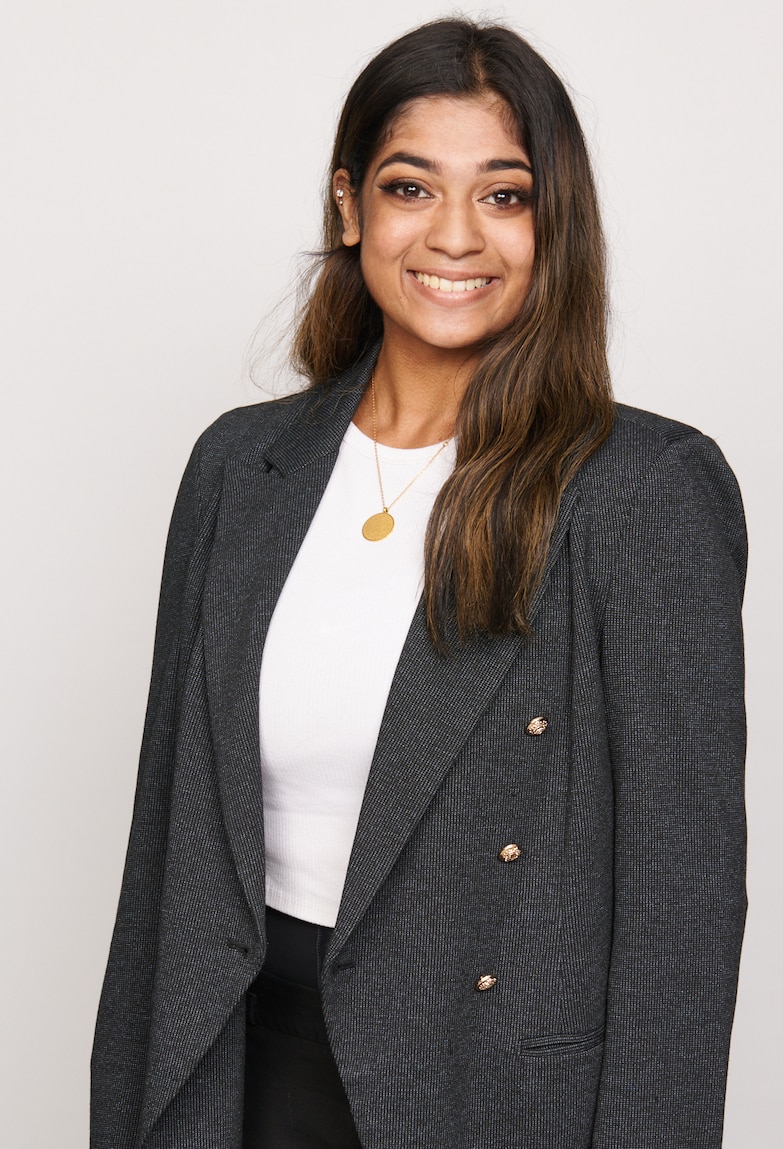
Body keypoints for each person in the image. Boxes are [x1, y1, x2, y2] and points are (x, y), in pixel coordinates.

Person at [91, 17, 747, 1149]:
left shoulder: (640, 492)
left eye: (504, 195)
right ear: (349, 209)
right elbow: (169, 845)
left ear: (556, 225)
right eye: (411, 187)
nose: (456, 236)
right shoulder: (240, 470)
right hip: (237, 1061)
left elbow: (680, 914)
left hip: (488, 1087)